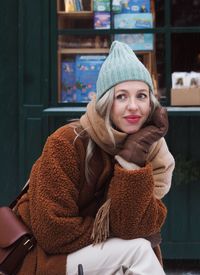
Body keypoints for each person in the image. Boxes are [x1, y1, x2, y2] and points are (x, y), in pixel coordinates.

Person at [15, 41, 175, 275]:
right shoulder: (67, 142)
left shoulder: (152, 152)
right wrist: (112, 230)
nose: (133, 106)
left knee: (139, 249)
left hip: (94, 253)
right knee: (139, 250)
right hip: (44, 258)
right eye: (121, 96)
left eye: (141, 96)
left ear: (151, 103)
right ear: (106, 102)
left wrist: (131, 161)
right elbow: (53, 231)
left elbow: (133, 226)